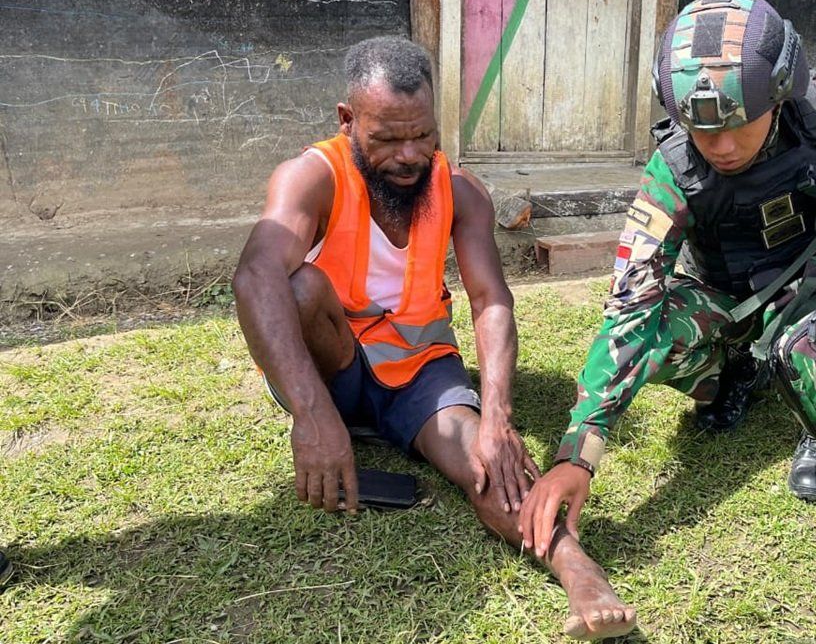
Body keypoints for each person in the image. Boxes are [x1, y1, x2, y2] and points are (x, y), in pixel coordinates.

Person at [520, 0, 816, 557]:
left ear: (778, 96)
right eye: (704, 132)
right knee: (659, 339)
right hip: (732, 300)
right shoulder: (671, 172)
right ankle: (745, 371)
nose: (722, 148)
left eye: (739, 125)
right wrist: (577, 454)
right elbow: (630, 305)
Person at [234, 36, 635, 640]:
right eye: (388, 137)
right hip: (334, 368)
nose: (409, 155)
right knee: (297, 287)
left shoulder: (460, 189)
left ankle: (576, 567)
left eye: (422, 134)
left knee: (485, 461)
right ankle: (339, 420)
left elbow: (491, 299)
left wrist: (497, 416)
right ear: (348, 121)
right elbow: (255, 273)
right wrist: (313, 416)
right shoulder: (310, 177)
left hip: (422, 372)